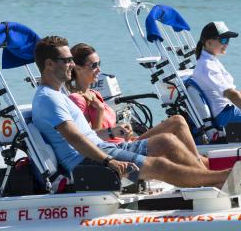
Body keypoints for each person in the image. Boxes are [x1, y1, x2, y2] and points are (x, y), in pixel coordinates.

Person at [31, 35, 230, 188]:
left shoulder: (57, 95)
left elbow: (87, 135)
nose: (72, 65)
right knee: (158, 165)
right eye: (66, 60)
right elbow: (75, 140)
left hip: (100, 148)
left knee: (166, 141)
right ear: (49, 64)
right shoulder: (48, 99)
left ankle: (207, 182)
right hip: (87, 162)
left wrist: (111, 133)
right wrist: (109, 161)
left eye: (71, 60)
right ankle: (223, 178)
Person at [66, 43, 209, 168]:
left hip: (125, 143)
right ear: (77, 68)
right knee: (176, 122)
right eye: (94, 65)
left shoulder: (94, 93)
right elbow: (87, 140)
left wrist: (124, 131)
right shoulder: (76, 99)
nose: (99, 69)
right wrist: (99, 111)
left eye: (99, 64)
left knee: (179, 125)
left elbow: (108, 129)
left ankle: (207, 166)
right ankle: (204, 169)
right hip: (114, 150)